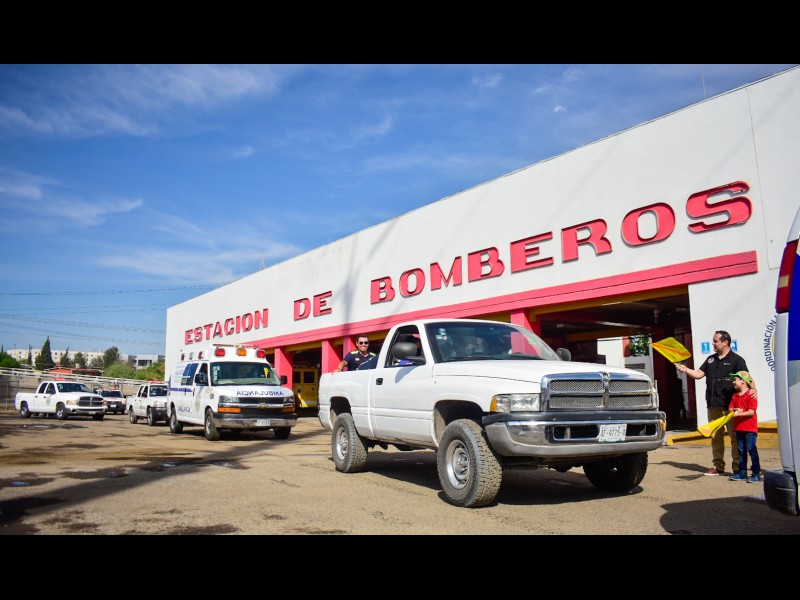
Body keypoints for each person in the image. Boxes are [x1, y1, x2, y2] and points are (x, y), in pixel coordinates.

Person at [676, 330, 755, 476]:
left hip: (731, 407)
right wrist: (686, 369)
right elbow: (699, 374)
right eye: (713, 341)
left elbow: (747, 378)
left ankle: (737, 467)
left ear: (725, 342)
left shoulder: (737, 360)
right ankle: (718, 467)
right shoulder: (711, 359)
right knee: (716, 437)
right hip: (713, 405)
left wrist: (753, 391)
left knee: (734, 437)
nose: (713, 343)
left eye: (715, 341)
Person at [726, 371, 761, 483]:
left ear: (743, 381)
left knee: (751, 450)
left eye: (735, 380)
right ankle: (742, 473)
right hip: (739, 428)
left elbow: (751, 412)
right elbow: (730, 408)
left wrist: (738, 414)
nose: (733, 382)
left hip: (750, 429)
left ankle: (756, 474)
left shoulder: (751, 395)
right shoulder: (735, 396)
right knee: (741, 451)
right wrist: (734, 410)